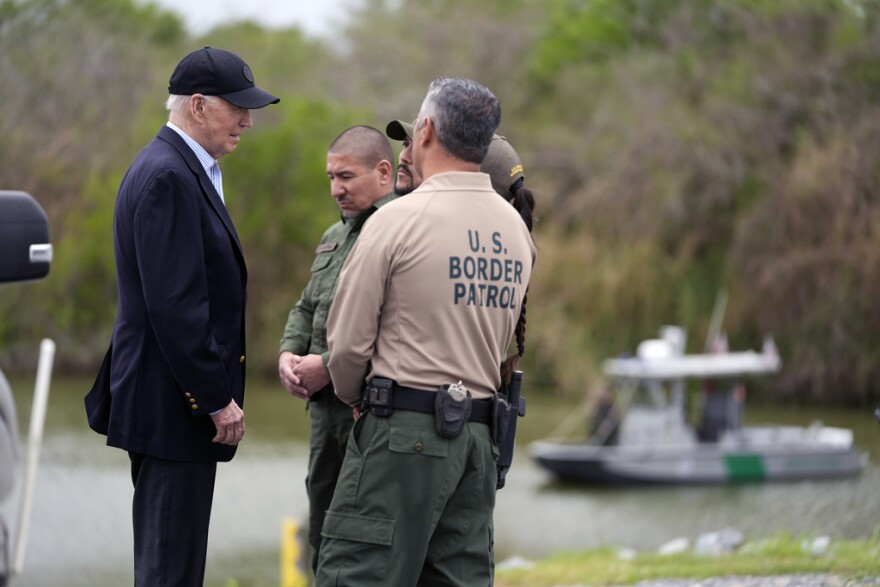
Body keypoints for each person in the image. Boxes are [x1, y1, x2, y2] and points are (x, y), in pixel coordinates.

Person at [316, 77, 536, 586]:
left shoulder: (396, 221)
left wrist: (353, 396)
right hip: (478, 443)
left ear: (428, 130)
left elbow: (346, 346)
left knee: (358, 575)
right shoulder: (516, 232)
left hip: (401, 436)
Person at [84, 46, 279, 587]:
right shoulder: (169, 175)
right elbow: (176, 305)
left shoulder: (182, 167)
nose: (248, 120)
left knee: (174, 566)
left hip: (170, 406)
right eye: (237, 107)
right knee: (169, 572)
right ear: (197, 105)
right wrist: (214, 399)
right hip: (174, 409)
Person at [277, 125, 395, 573]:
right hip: (324, 411)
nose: (335, 189)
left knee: (362, 530)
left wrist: (328, 365)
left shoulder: (397, 228)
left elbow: (396, 323)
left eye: (346, 177)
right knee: (322, 520)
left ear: (383, 172)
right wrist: (288, 354)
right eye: (330, 177)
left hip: (368, 408)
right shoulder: (335, 233)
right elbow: (308, 304)